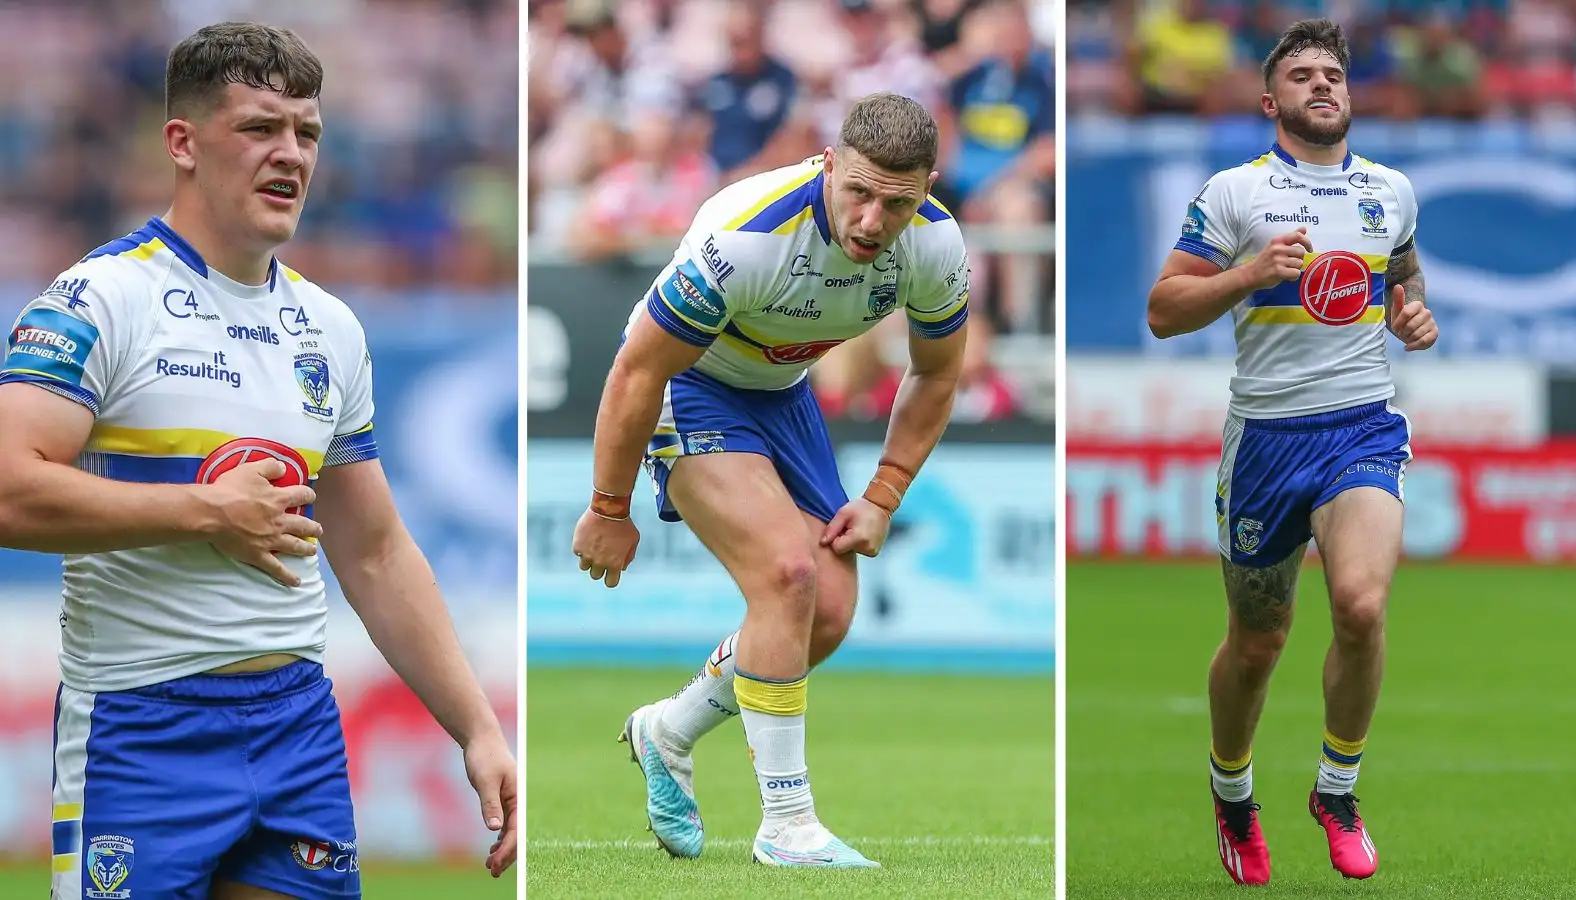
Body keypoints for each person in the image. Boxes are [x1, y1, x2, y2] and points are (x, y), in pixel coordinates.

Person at [0, 24, 517, 899]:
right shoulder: (100, 301)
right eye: (260, 128)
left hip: (295, 726)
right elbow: (9, 487)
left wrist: (477, 728)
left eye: (307, 133)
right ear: (183, 142)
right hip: (139, 729)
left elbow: (376, 549)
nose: (291, 155)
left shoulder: (331, 329)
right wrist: (203, 513)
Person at [570, 92, 970, 869]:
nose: (871, 222)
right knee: (788, 573)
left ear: (925, 190)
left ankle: (669, 731)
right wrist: (608, 506)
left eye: (897, 203)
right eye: (857, 192)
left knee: (831, 606)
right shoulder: (748, 237)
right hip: (688, 384)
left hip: (782, 393)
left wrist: (884, 494)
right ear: (828, 165)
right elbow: (636, 370)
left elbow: (936, 374)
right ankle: (787, 826)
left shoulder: (935, 244)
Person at [1145, 18, 1438, 887]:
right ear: (1271, 101)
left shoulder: (1391, 191)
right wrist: (1245, 275)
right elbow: (1163, 310)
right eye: (1303, 75)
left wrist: (1410, 313)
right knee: (1257, 642)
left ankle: (1336, 790)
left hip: (1360, 427)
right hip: (1267, 439)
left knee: (1359, 603)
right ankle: (1232, 793)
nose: (1322, 85)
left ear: (1349, 94)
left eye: (1334, 75)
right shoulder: (1236, 194)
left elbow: (1404, 277)